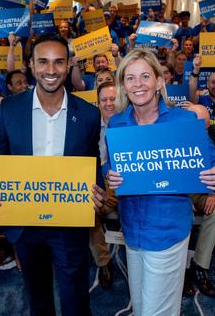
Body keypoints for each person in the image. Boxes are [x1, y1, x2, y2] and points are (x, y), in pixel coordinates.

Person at [105, 49, 215, 316]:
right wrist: (110, 173)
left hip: (167, 230)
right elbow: (112, 164)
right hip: (131, 230)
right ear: (123, 85)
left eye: (145, 76)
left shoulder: (183, 121)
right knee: (141, 306)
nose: (138, 84)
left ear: (159, 82)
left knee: (158, 311)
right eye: (130, 78)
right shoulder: (117, 124)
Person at [0, 33, 106, 316]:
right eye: (43, 62)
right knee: (37, 295)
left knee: (75, 298)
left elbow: (92, 161)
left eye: (58, 62)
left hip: (70, 222)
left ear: (68, 65)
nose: (51, 70)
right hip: (25, 222)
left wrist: (97, 188)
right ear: (31, 64)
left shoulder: (88, 114)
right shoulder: (11, 109)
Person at [181, 103, 215, 297]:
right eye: (199, 127)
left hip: (204, 190)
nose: (203, 132)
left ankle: (200, 266)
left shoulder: (214, 136)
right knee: (180, 212)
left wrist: (213, 194)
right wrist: (182, 197)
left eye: (206, 127)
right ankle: (181, 270)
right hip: (180, 191)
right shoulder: (172, 135)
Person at [91, 81, 119, 288]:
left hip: (128, 183)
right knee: (87, 211)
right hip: (101, 183)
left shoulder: (131, 122)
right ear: (98, 102)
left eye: (113, 99)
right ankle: (103, 262)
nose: (109, 104)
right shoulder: (90, 125)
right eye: (104, 100)